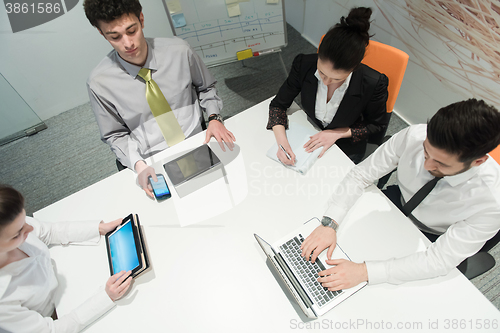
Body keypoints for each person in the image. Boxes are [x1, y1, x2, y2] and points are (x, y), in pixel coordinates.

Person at [299, 98, 500, 290]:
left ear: (478, 161)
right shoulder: (415, 135)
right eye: (426, 152)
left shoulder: (491, 202)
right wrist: (330, 223)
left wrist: (364, 271)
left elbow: (439, 260)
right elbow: (361, 175)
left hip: (433, 236)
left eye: (441, 163)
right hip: (395, 204)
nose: (427, 165)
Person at [84, 0, 236, 198]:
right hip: (151, 160)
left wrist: (215, 118)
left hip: (197, 141)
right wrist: (139, 165)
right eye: (115, 37)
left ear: (142, 19)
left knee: (226, 193)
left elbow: (206, 87)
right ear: (101, 33)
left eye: (132, 31)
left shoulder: (180, 50)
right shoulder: (99, 82)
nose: (128, 43)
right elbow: (115, 135)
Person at [0, 185, 132, 332]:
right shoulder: (3, 304)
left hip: (62, 284)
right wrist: (106, 297)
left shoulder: (12, 223)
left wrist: (98, 228)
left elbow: (49, 232)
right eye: (18, 233)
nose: (30, 229)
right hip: (53, 317)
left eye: (25, 219)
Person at [267, 7, 389, 165]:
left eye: (336, 78)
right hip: (309, 132)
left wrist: (337, 133)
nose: (325, 82)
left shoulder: (373, 82)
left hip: (345, 145)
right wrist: (282, 144)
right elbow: (278, 105)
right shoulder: (304, 64)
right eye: (322, 73)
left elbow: (376, 125)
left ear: (354, 68)